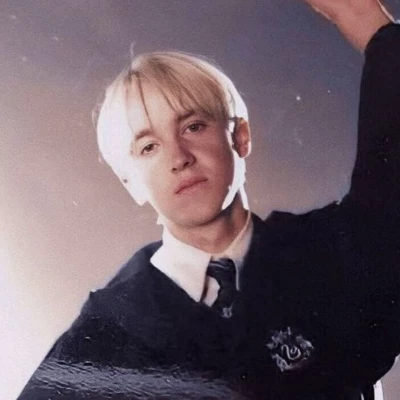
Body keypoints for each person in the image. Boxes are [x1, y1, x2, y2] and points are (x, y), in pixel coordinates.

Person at [19, 1, 400, 399]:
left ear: (240, 136)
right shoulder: (107, 333)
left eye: (194, 126)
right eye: (148, 147)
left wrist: (364, 19)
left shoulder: (329, 254)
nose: (179, 157)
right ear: (129, 182)